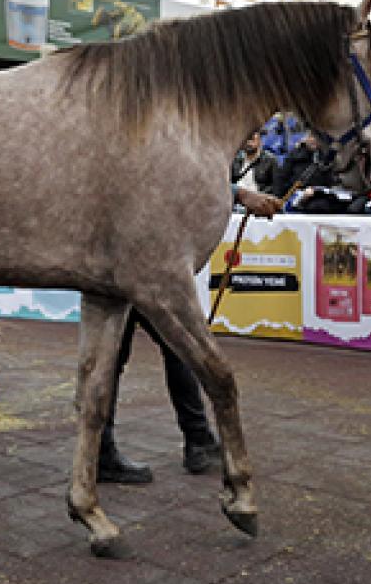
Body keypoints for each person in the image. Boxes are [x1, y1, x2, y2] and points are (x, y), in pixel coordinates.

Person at [99, 185, 284, 484]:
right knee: (169, 348)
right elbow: (168, 174)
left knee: (127, 356)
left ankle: (190, 440)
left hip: (122, 262)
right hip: (140, 266)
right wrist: (237, 194)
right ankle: (194, 441)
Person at [278, 134, 349, 213]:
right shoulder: (294, 156)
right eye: (311, 137)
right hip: (296, 196)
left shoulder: (327, 158)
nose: (314, 140)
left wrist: (317, 191)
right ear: (305, 139)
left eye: (317, 137)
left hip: (322, 196)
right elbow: (282, 179)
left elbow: (333, 182)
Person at [231, 130, 277, 194]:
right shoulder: (236, 158)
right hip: (235, 197)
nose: (249, 143)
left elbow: (275, 186)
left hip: (256, 199)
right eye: (246, 140)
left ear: (259, 141)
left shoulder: (270, 160)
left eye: (252, 140)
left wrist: (260, 196)